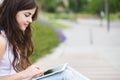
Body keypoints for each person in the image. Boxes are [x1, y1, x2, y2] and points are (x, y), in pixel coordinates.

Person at [0, 0, 90, 80]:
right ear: (12, 12)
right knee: (65, 74)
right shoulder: (1, 41)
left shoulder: (11, 38)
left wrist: (31, 74)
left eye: (31, 16)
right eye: (27, 15)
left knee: (66, 71)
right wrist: (25, 74)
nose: (30, 20)